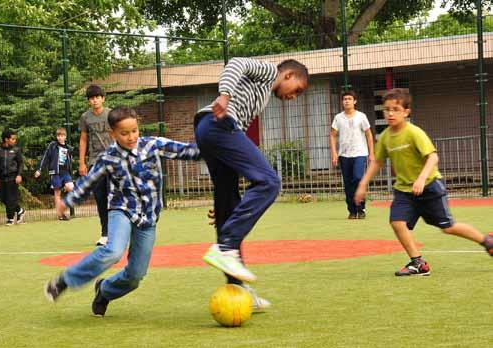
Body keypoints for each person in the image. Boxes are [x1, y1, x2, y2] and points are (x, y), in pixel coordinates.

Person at [44, 107, 200, 316]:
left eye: (134, 131)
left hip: (148, 218)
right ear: (112, 134)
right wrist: (67, 201)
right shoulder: (108, 157)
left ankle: (105, 290)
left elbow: (187, 151)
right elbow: (88, 182)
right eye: (124, 133)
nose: (131, 137)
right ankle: (65, 281)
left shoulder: (152, 145)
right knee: (113, 251)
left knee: (135, 276)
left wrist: (217, 145)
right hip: (122, 210)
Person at [194, 57, 309, 310]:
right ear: (288, 75)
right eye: (297, 90)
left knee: (228, 207)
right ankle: (226, 246)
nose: (294, 97)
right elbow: (236, 63)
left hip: (210, 131)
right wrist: (224, 94)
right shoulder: (269, 71)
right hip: (218, 125)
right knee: (269, 182)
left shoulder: (262, 95)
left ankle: (238, 288)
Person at [354, 88, 493, 276]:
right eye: (387, 110)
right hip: (404, 191)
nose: (390, 113)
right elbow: (377, 162)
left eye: (395, 109)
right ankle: (417, 262)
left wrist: (420, 179)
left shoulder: (414, 133)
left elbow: (433, 158)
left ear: (406, 112)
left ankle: (487, 242)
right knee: (397, 222)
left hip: (429, 187)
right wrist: (363, 185)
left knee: (448, 227)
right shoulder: (386, 136)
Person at [330, 90, 374, 219]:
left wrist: (371, 153)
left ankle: (361, 208)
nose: (347, 101)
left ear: (355, 101)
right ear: (342, 102)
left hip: (360, 153)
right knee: (348, 183)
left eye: (349, 99)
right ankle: (352, 210)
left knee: (357, 178)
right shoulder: (338, 118)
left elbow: (368, 134)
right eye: (345, 99)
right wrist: (334, 153)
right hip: (344, 155)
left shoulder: (361, 116)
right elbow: (332, 135)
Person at [79, 84, 112, 246]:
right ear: (89, 101)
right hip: (95, 162)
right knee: (100, 198)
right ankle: (105, 233)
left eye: (97, 97)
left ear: (103, 98)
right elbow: (83, 139)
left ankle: (120, 232)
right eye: (92, 98)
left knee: (115, 198)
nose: (95, 100)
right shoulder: (86, 117)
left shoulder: (111, 114)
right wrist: (82, 162)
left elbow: (118, 134)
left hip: (113, 161)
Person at [34, 127, 74, 220]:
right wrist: (39, 169)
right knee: (57, 193)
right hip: (55, 172)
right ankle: (60, 215)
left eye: (62, 136)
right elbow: (45, 157)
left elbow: (70, 162)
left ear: (65, 137)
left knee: (71, 188)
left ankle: (63, 206)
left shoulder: (68, 148)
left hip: (65, 173)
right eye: (58, 136)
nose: (60, 137)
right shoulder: (52, 145)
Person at [0, 129, 26, 226]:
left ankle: (10, 218)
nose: (15, 140)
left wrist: (19, 175)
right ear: (6, 139)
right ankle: (20, 210)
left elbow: (20, 163)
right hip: (1, 178)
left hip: (13, 177)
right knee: (3, 198)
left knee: (11, 198)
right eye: (13, 139)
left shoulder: (16, 150)